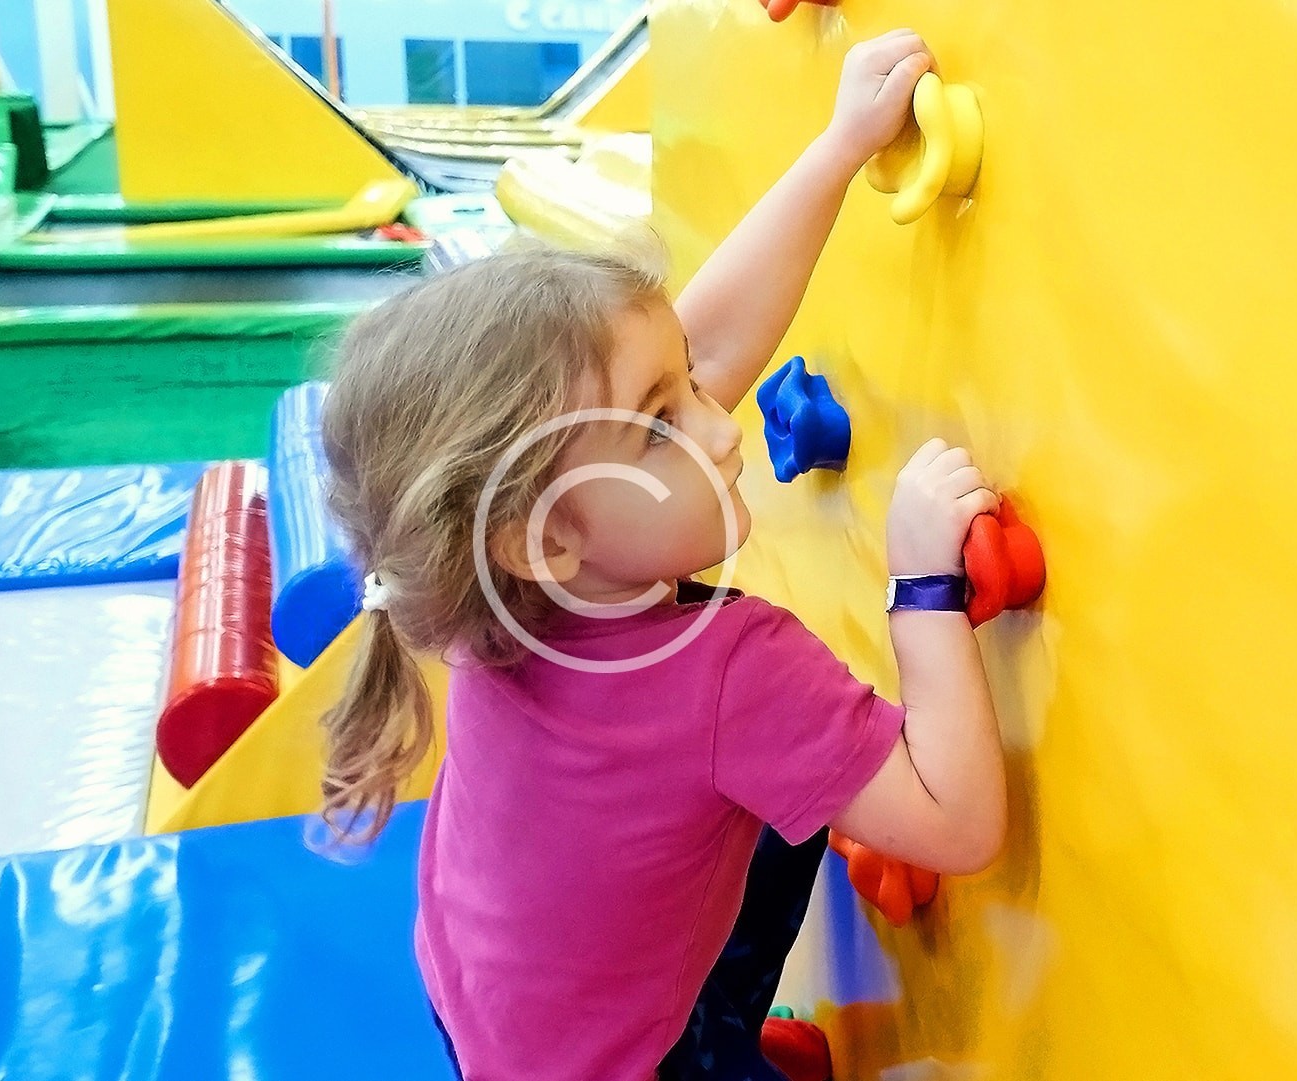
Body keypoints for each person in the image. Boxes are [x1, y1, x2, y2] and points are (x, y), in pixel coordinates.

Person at [317, 29, 1008, 1081]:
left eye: (684, 387)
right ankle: (711, 1038)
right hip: (614, 1067)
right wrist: (924, 588)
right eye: (662, 420)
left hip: (490, 1011)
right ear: (545, 537)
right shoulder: (730, 670)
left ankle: (706, 1015)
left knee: (801, 783)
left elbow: (708, 349)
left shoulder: (494, 570)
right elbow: (956, 823)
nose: (720, 423)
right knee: (814, 761)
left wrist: (836, 149)